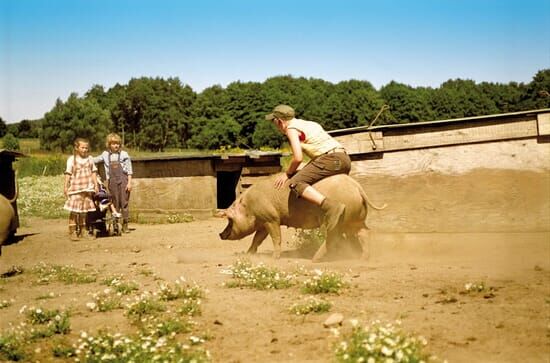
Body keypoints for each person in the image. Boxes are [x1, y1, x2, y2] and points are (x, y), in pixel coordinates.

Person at [266, 104, 352, 232]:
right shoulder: (311, 124)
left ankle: (331, 207)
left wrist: (287, 174)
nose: (276, 127)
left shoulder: (291, 129)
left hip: (330, 159)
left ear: (279, 121)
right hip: (344, 159)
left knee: (296, 182)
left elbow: (297, 158)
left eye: (274, 122)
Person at [94, 133, 133, 233]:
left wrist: (129, 182)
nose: (116, 146)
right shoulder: (105, 154)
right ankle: (115, 226)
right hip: (112, 182)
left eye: (118, 144)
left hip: (124, 180)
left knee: (124, 203)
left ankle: (125, 224)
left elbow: (129, 170)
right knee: (114, 203)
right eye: (113, 143)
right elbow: (94, 160)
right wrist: (85, 159)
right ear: (109, 144)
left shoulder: (124, 154)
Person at [63, 138, 99, 240]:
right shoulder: (72, 159)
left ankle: (83, 231)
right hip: (76, 189)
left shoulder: (90, 159)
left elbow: (93, 172)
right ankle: (73, 232)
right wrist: (65, 186)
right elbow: (68, 173)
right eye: (82, 147)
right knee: (74, 211)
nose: (84, 150)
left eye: (86, 148)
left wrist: (96, 185)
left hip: (87, 188)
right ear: (76, 148)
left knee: (84, 212)